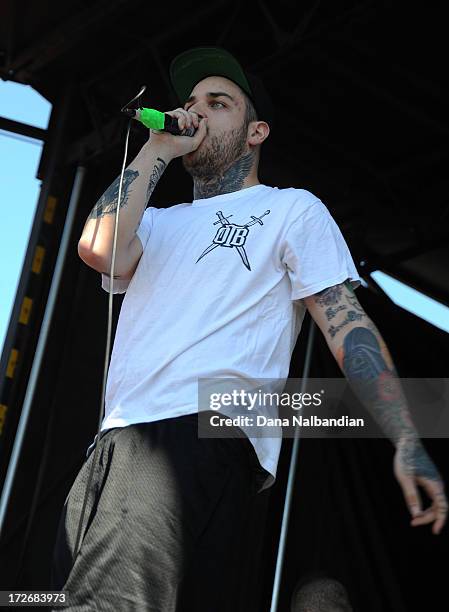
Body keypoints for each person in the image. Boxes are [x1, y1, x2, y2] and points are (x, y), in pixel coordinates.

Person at [51, 47, 447, 611]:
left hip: (192, 432)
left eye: (219, 103)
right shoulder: (156, 222)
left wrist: (406, 435)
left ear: (256, 130)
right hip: (117, 442)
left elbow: (346, 325)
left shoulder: (291, 210)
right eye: (191, 103)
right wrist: (158, 146)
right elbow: (98, 248)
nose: (198, 113)